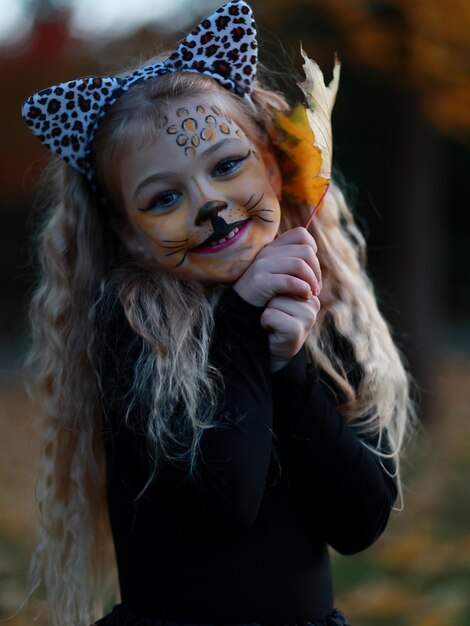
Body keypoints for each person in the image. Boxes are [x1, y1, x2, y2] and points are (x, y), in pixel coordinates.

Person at [21, 1, 415, 625]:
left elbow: (361, 520)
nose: (209, 204)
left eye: (228, 165)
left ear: (275, 166)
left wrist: (290, 367)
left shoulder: (319, 315)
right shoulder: (136, 326)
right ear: (127, 233)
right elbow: (228, 498)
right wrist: (240, 323)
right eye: (164, 197)